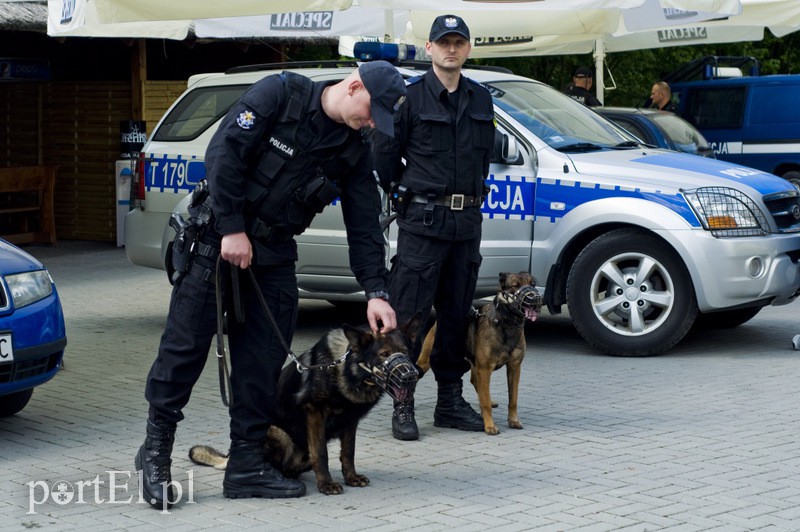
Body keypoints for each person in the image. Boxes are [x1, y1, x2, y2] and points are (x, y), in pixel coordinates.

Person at [135, 61, 406, 508]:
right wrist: (232, 228)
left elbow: (364, 226)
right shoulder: (281, 96)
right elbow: (224, 154)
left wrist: (376, 291)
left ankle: (245, 465)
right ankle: (156, 452)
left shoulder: (355, 150)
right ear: (354, 86)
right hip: (216, 241)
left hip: (274, 254)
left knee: (261, 364)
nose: (373, 122)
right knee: (183, 351)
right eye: (372, 110)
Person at [372, 14, 495, 441]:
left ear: (467, 49)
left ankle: (449, 401)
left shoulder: (481, 99)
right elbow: (384, 157)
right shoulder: (409, 99)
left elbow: (482, 160)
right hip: (423, 223)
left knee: (457, 313)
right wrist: (407, 194)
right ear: (429, 48)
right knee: (410, 317)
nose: (451, 49)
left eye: (459, 42)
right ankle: (402, 403)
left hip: (466, 222)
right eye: (443, 42)